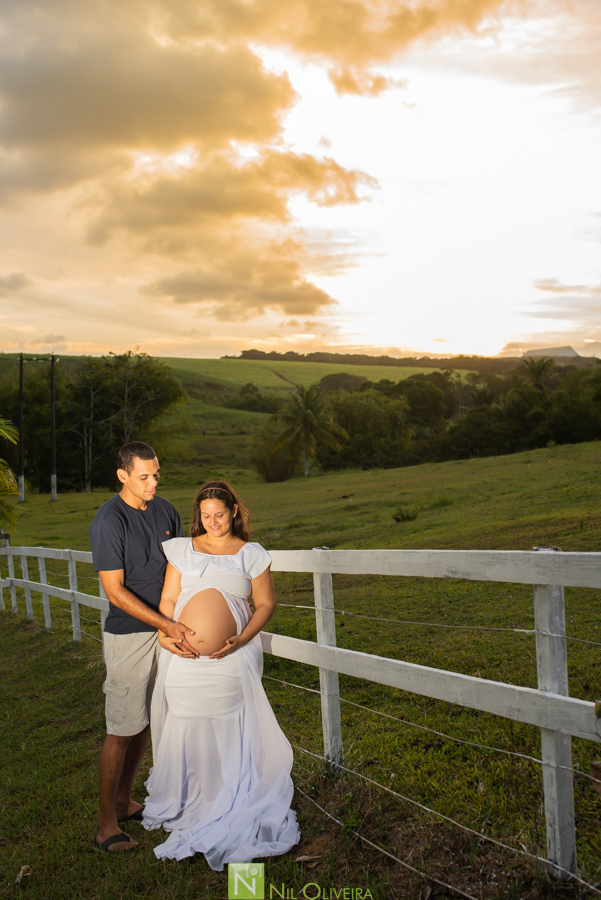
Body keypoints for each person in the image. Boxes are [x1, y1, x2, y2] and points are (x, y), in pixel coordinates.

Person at [142, 480, 300, 869]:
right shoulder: (181, 550)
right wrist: (165, 636)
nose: (213, 522)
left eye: (220, 514)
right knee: (188, 723)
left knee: (227, 722)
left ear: (233, 512)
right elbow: (166, 601)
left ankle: (227, 797)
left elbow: (265, 604)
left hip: (229, 660)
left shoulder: (251, 554)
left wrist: (242, 638)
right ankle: (194, 798)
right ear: (199, 515)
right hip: (182, 660)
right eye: (205, 515)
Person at [90, 441, 198, 853]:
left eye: (156, 474)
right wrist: (165, 623)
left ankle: (124, 800)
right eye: (143, 476)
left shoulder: (165, 510)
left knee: (145, 721)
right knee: (121, 727)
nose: (153, 483)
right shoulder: (109, 520)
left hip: (162, 631)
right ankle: (104, 826)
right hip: (129, 636)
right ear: (123, 476)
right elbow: (115, 591)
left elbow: (181, 568)